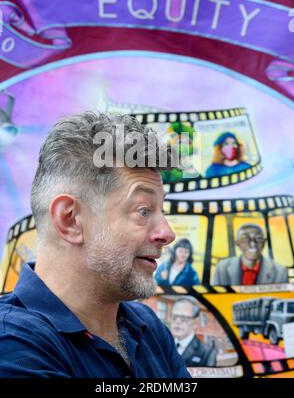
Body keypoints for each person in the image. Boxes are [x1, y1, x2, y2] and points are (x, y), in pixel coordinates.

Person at [0, 111, 191, 378]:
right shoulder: (13, 347)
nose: (166, 233)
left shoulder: (148, 328)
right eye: (144, 210)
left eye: (162, 210)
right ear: (70, 220)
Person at [212, 223, 288, 286]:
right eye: (246, 239)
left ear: (264, 243)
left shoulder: (280, 272)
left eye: (258, 239)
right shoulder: (222, 268)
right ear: (237, 243)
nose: (252, 244)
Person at [170, 297, 217, 367]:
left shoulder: (207, 352)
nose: (177, 321)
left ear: (195, 322)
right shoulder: (162, 347)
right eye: (174, 316)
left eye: (184, 318)